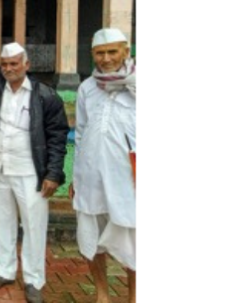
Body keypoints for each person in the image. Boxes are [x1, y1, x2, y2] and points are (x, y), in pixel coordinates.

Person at [0, 42, 69, 303]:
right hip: (0, 171)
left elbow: (57, 136)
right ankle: (3, 271)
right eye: (4, 64)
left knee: (34, 226)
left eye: (14, 63)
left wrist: (53, 173)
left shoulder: (45, 95)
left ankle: (33, 280)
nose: (9, 69)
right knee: (1, 223)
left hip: (32, 173)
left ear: (26, 65)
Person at [70, 28, 136, 303]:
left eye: (112, 51)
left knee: (134, 239)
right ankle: (102, 293)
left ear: (126, 51)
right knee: (92, 237)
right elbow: (81, 133)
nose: (106, 58)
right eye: (100, 53)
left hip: (128, 180)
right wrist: (75, 177)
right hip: (91, 177)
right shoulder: (87, 88)